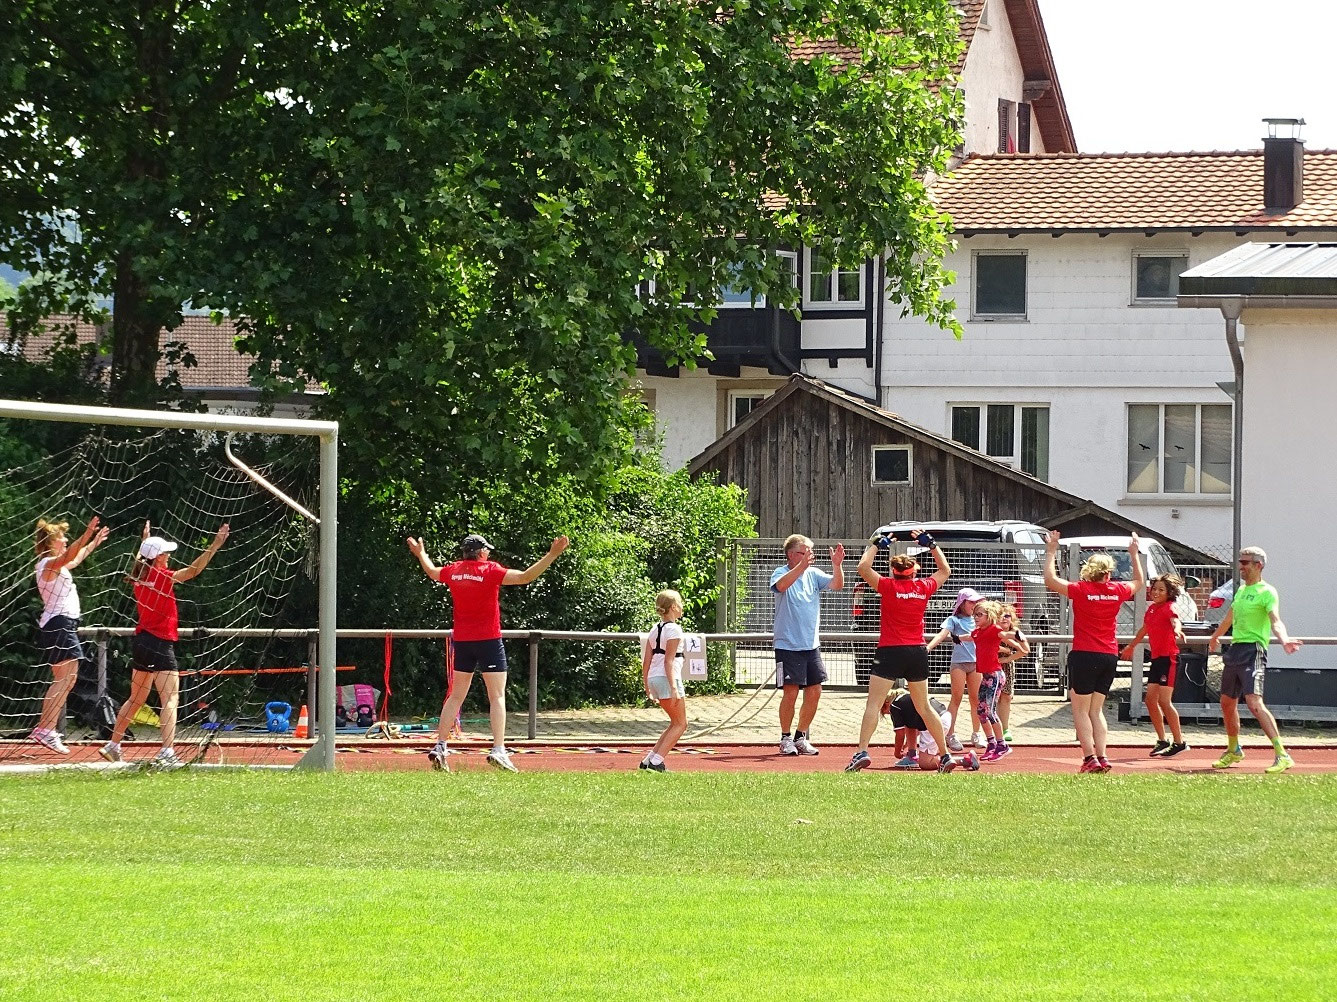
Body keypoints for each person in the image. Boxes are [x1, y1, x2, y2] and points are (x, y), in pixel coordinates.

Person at [410, 532, 569, 773]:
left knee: (456, 696)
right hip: (488, 640)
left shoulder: (453, 570)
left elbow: (432, 572)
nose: (489, 554)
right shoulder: (489, 570)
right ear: (481, 552)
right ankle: (498, 750)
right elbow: (525, 577)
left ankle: (441, 746)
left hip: (462, 641)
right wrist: (552, 555)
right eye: (487, 550)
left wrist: (421, 554)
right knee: (497, 697)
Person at [101, 521, 230, 767]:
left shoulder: (139, 576)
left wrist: (145, 541)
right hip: (160, 643)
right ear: (157, 558)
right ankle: (167, 752)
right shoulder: (161, 577)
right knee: (170, 699)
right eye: (165, 554)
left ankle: (113, 744)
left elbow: (141, 560)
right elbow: (192, 571)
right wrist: (214, 546)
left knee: (136, 698)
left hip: (142, 642)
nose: (168, 558)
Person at [847, 527, 957, 773]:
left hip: (889, 651)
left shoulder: (887, 586)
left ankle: (862, 752)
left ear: (894, 572)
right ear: (914, 571)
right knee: (924, 707)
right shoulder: (923, 587)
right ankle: (945, 754)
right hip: (917, 651)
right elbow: (945, 571)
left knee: (873, 705)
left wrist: (875, 544)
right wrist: (931, 545)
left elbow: (863, 568)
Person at [1044, 530, 1143, 774]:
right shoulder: (1117, 590)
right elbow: (1140, 583)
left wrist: (1051, 551)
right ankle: (1103, 755)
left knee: (1080, 710)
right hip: (1109, 655)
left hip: (1084, 654)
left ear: (1089, 570)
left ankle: (1089, 757)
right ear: (1109, 572)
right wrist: (1133, 554)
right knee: (1096, 711)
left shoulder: (1081, 589)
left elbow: (1050, 580)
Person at [1206, 546, 1301, 774]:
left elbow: (1275, 620)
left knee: (1254, 703)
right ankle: (1233, 750)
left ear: (1259, 565)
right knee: (1227, 702)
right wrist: (1216, 637)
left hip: (1253, 651)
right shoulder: (1240, 591)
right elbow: (1230, 616)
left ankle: (1282, 754)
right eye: (1240, 561)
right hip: (1235, 650)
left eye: (1245, 562)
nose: (1241, 566)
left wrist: (1285, 639)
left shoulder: (1267, 592)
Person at [29, 516, 110, 753]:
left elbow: (75, 557)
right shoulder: (48, 564)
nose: (65, 540)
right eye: (61, 538)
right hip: (59, 624)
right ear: (49, 543)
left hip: (60, 624)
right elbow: (69, 555)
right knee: (66, 678)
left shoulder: (57, 566)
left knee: (64, 679)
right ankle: (45, 729)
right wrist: (86, 534)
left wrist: (94, 542)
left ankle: (46, 729)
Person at [770, 534, 844, 756]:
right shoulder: (781, 572)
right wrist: (800, 568)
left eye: (811, 553)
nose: (810, 557)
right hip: (787, 645)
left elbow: (837, 585)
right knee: (790, 693)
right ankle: (785, 739)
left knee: (815, 691)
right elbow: (781, 586)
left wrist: (837, 565)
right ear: (792, 555)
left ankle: (800, 737)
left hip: (811, 645)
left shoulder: (813, 574)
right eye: (805, 552)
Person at [1121, 574, 1189, 757]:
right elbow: (1144, 629)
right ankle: (1162, 740)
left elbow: (1175, 620)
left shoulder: (1169, 607)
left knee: (1164, 701)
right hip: (1157, 659)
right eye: (1154, 589)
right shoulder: (1152, 610)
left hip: (1169, 659)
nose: (1156, 592)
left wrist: (1177, 630)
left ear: (1169, 592)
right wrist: (1131, 646)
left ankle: (1180, 742)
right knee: (1150, 700)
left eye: (1161, 590)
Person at [925, 587, 983, 752]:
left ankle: (977, 733)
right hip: (959, 664)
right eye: (971, 601)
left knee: (976, 700)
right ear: (962, 603)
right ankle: (950, 734)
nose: (974, 605)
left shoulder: (979, 620)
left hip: (976, 664)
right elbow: (942, 634)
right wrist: (928, 648)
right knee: (956, 699)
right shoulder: (954, 620)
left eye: (976, 601)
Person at [639, 589, 688, 772]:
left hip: (654, 678)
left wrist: (646, 685)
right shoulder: (674, 629)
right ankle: (657, 762)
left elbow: (646, 661)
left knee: (674, 722)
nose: (682, 607)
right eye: (680, 603)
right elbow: (669, 661)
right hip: (667, 679)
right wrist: (674, 688)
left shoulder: (654, 629)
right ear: (674, 607)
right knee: (681, 724)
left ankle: (649, 760)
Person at [971, 600, 1023, 761]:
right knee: (981, 711)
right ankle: (991, 743)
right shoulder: (978, 632)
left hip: (995, 675)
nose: (976, 617)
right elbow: (969, 637)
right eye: (974, 615)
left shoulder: (995, 629)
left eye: (979, 615)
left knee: (990, 711)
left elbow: (1009, 638)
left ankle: (1002, 745)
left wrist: (1012, 651)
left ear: (989, 616)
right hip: (986, 676)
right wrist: (957, 637)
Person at [883, 686, 979, 771]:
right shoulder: (906, 700)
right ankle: (912, 756)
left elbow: (900, 733)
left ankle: (966, 759)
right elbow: (911, 728)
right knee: (910, 727)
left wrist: (897, 752)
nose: (885, 713)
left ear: (886, 702)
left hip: (934, 723)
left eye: (882, 709)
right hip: (944, 716)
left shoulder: (894, 706)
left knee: (925, 763)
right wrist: (907, 748)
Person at [996, 604, 1030, 742]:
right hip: (991, 667)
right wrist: (1004, 651)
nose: (1004, 618)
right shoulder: (992, 630)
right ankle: (993, 729)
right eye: (1000, 615)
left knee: (1006, 696)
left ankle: (1005, 728)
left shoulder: (1015, 631)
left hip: (1007, 667)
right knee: (991, 698)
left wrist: (1008, 658)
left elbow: (1025, 649)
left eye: (1007, 615)